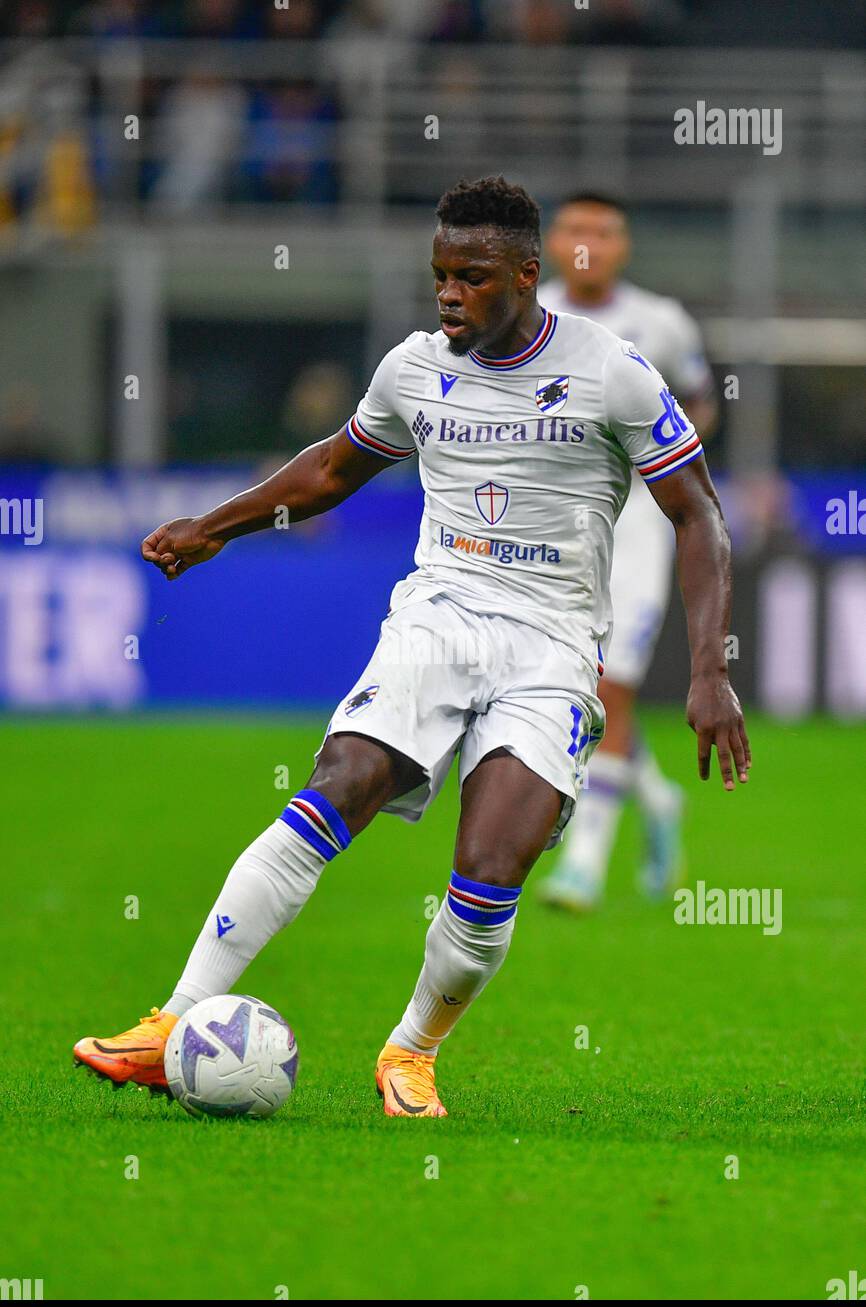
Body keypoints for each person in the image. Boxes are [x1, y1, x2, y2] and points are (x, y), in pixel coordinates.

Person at [73, 176, 749, 1118]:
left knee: (490, 868)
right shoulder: (415, 366)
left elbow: (699, 515)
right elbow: (335, 467)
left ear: (525, 273)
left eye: (470, 278)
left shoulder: (614, 372)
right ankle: (173, 1022)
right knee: (340, 781)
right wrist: (217, 525)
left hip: (554, 646)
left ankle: (412, 1049)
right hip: (438, 617)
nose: (447, 296)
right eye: (438, 275)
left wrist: (713, 669)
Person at [538, 191, 719, 909]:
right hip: (557, 526)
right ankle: (658, 799)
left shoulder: (661, 322)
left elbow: (701, 398)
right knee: (577, 685)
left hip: (640, 525)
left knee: (611, 683)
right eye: (576, 228)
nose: (589, 243)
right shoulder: (526, 316)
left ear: (624, 245)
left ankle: (582, 861)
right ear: (553, 242)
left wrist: (675, 465)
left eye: (604, 231)